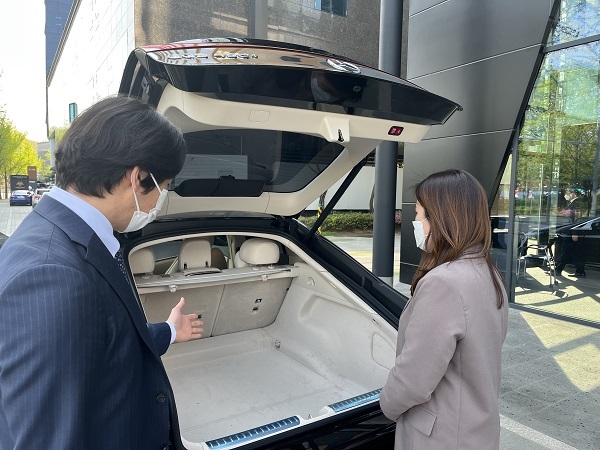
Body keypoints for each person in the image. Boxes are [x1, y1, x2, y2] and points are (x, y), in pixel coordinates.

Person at [0, 95, 203, 449]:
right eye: (165, 188)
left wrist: (169, 331)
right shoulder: (53, 277)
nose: (160, 201)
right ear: (139, 177)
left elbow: (98, 342)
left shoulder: (65, 238)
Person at [380, 169, 508, 450]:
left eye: (418, 213)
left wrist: (386, 404)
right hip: (476, 429)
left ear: (440, 218)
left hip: (441, 436)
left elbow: (414, 378)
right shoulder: (489, 273)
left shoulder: (443, 283)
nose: (415, 222)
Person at [555, 189, 586, 277]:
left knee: (565, 251)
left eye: (568, 193)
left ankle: (558, 270)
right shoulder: (571, 203)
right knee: (574, 252)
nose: (566, 195)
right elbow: (570, 215)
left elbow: (577, 219)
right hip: (569, 231)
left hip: (571, 232)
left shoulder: (576, 204)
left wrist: (575, 232)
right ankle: (580, 271)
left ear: (574, 194)